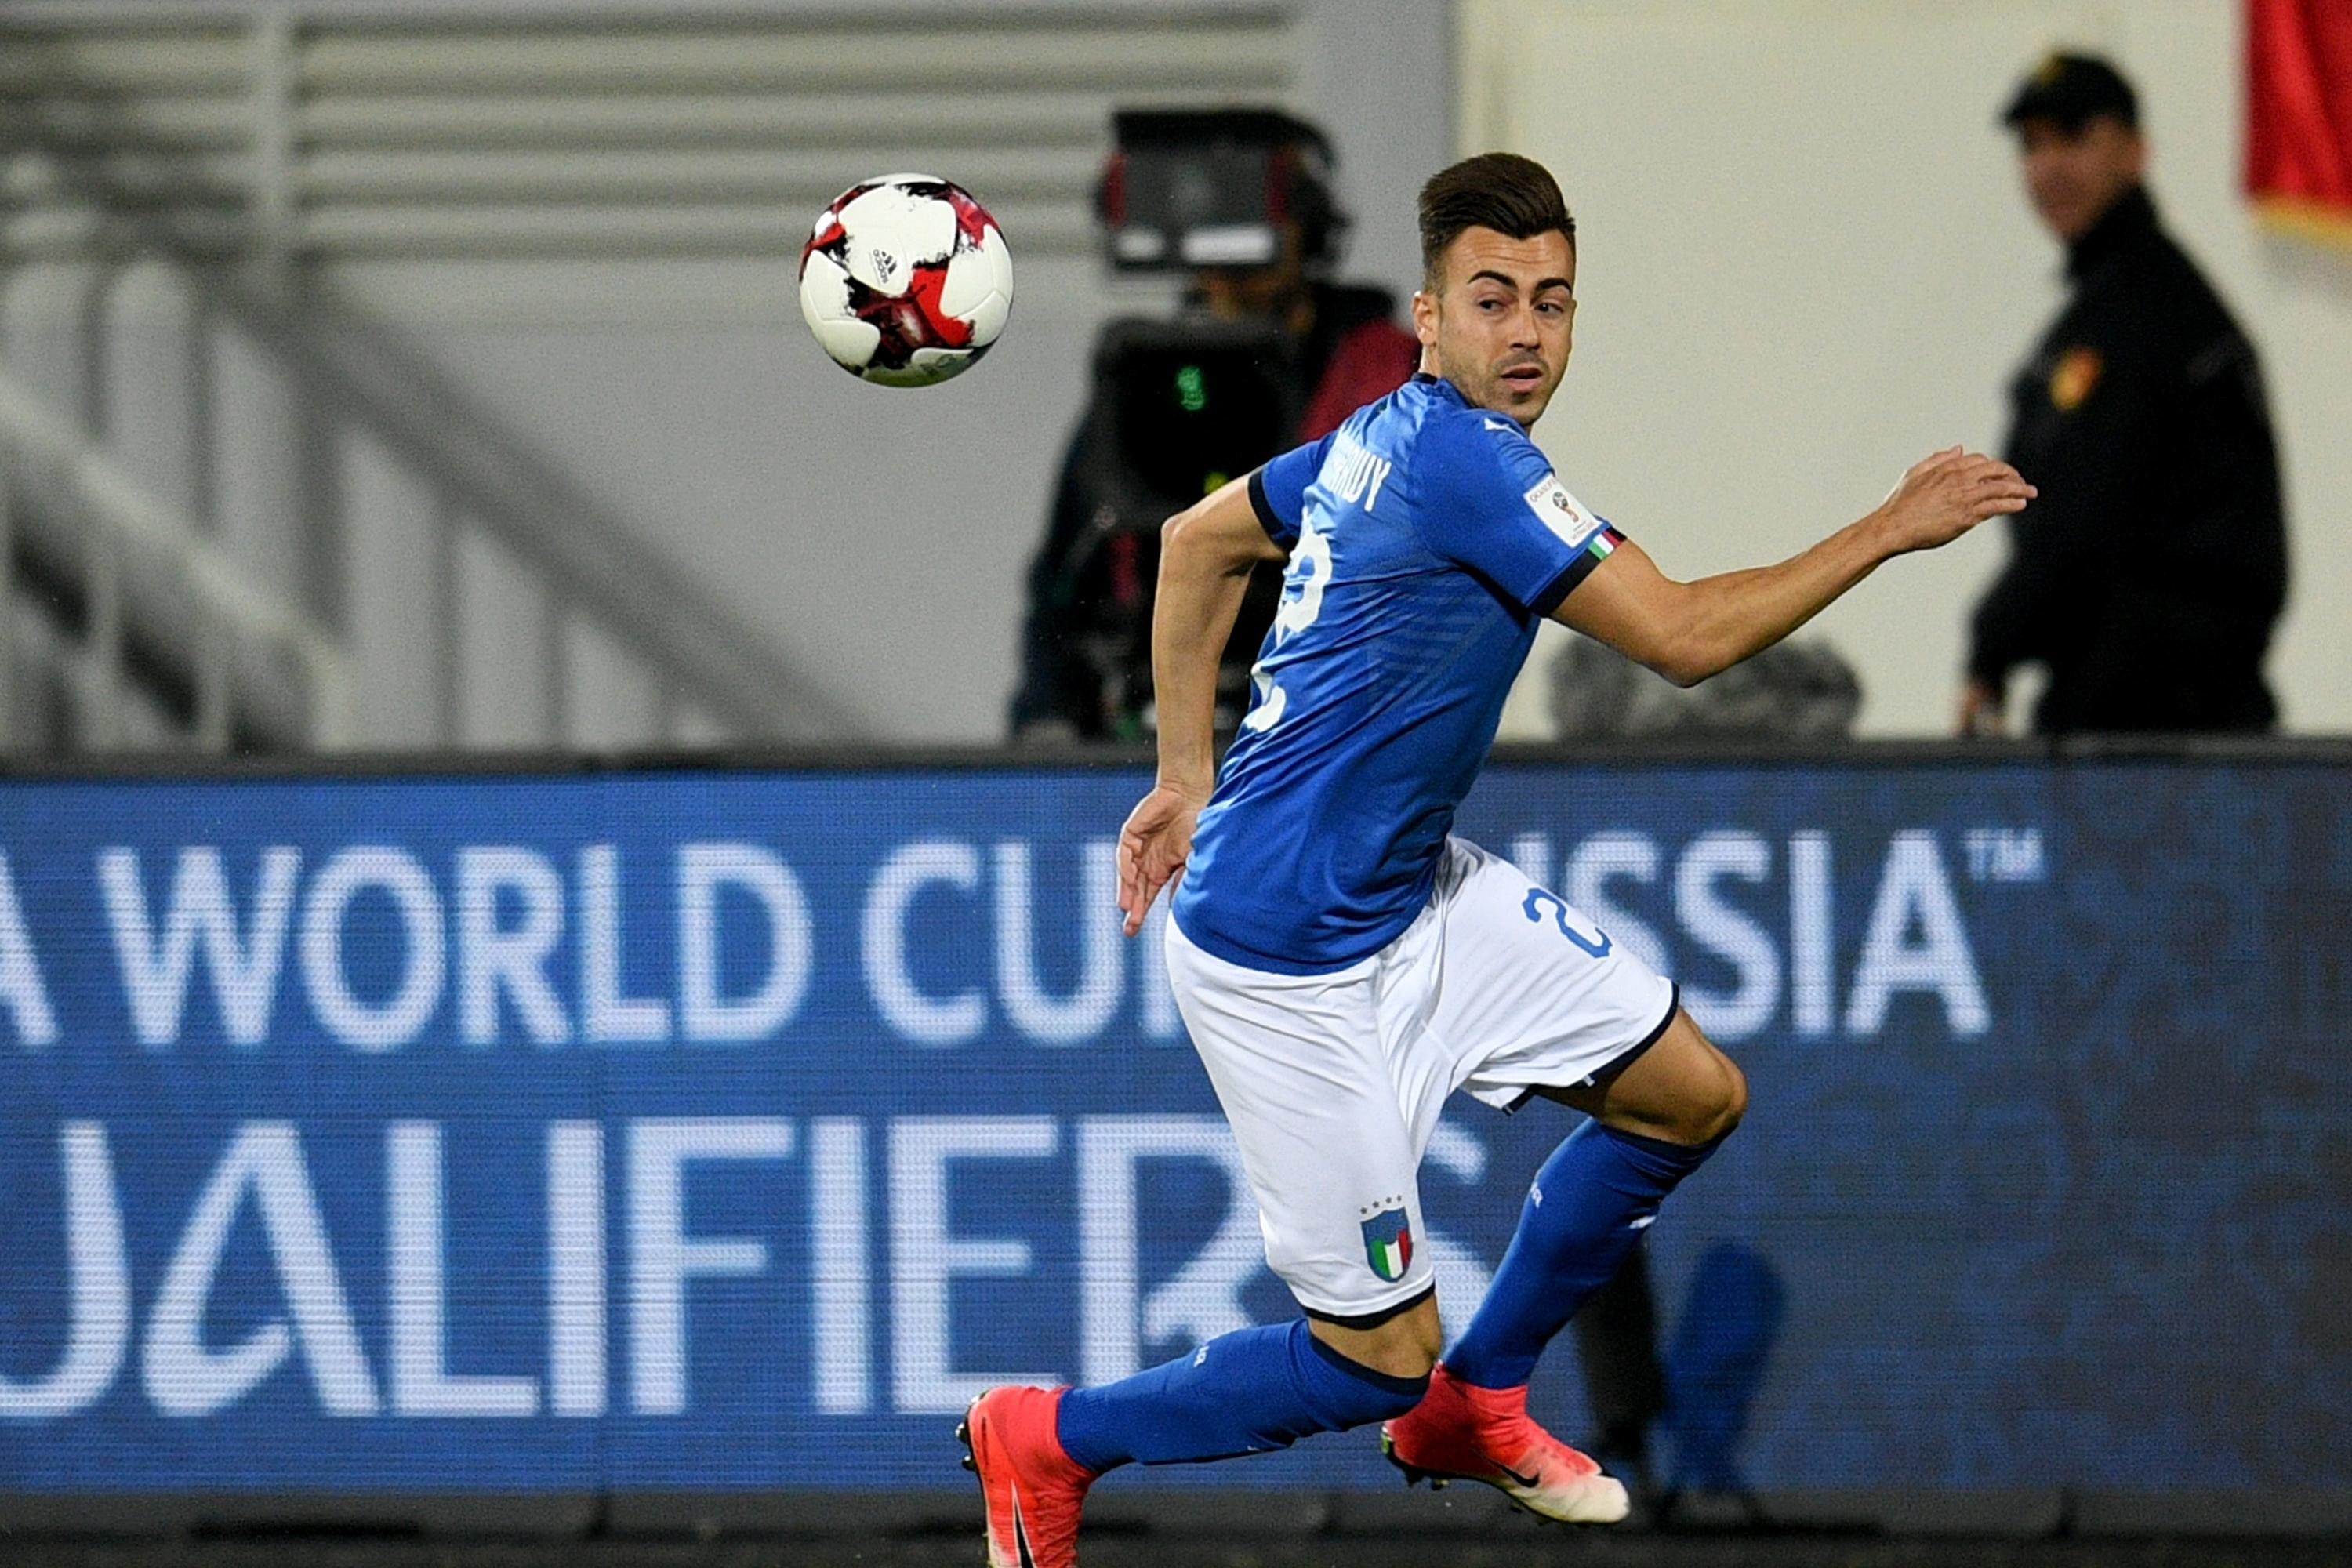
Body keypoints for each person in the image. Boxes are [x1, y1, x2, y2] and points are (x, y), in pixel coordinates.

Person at [961, 152, 2033, 1567]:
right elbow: (1691, 640)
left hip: (1412, 897)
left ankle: (1483, 1396)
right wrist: (1895, 526)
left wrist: (1180, 772)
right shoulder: (1463, 463)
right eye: (1494, 299)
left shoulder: (1385, 433)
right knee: (1368, 1365)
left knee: (1688, 1095)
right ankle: (1046, 1437)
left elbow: (1195, 539)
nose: (1529, 333)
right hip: (1285, 962)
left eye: (1555, 302)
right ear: (1428, 316)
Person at [1007, 119, 1419, 741]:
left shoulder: (1390, 373)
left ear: (1307, 223)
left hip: (1347, 716)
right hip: (1156, 718)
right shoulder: (1142, 378)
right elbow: (1065, 579)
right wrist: (1047, 718)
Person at [1960, 51, 2288, 737]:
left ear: (2134, 152)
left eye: (2073, 138)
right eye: (2032, 145)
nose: (2047, 167)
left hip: (2158, 726)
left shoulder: (2145, 318)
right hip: (2140, 709)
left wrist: (1990, 647)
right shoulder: (2120, 308)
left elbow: (2080, 524)